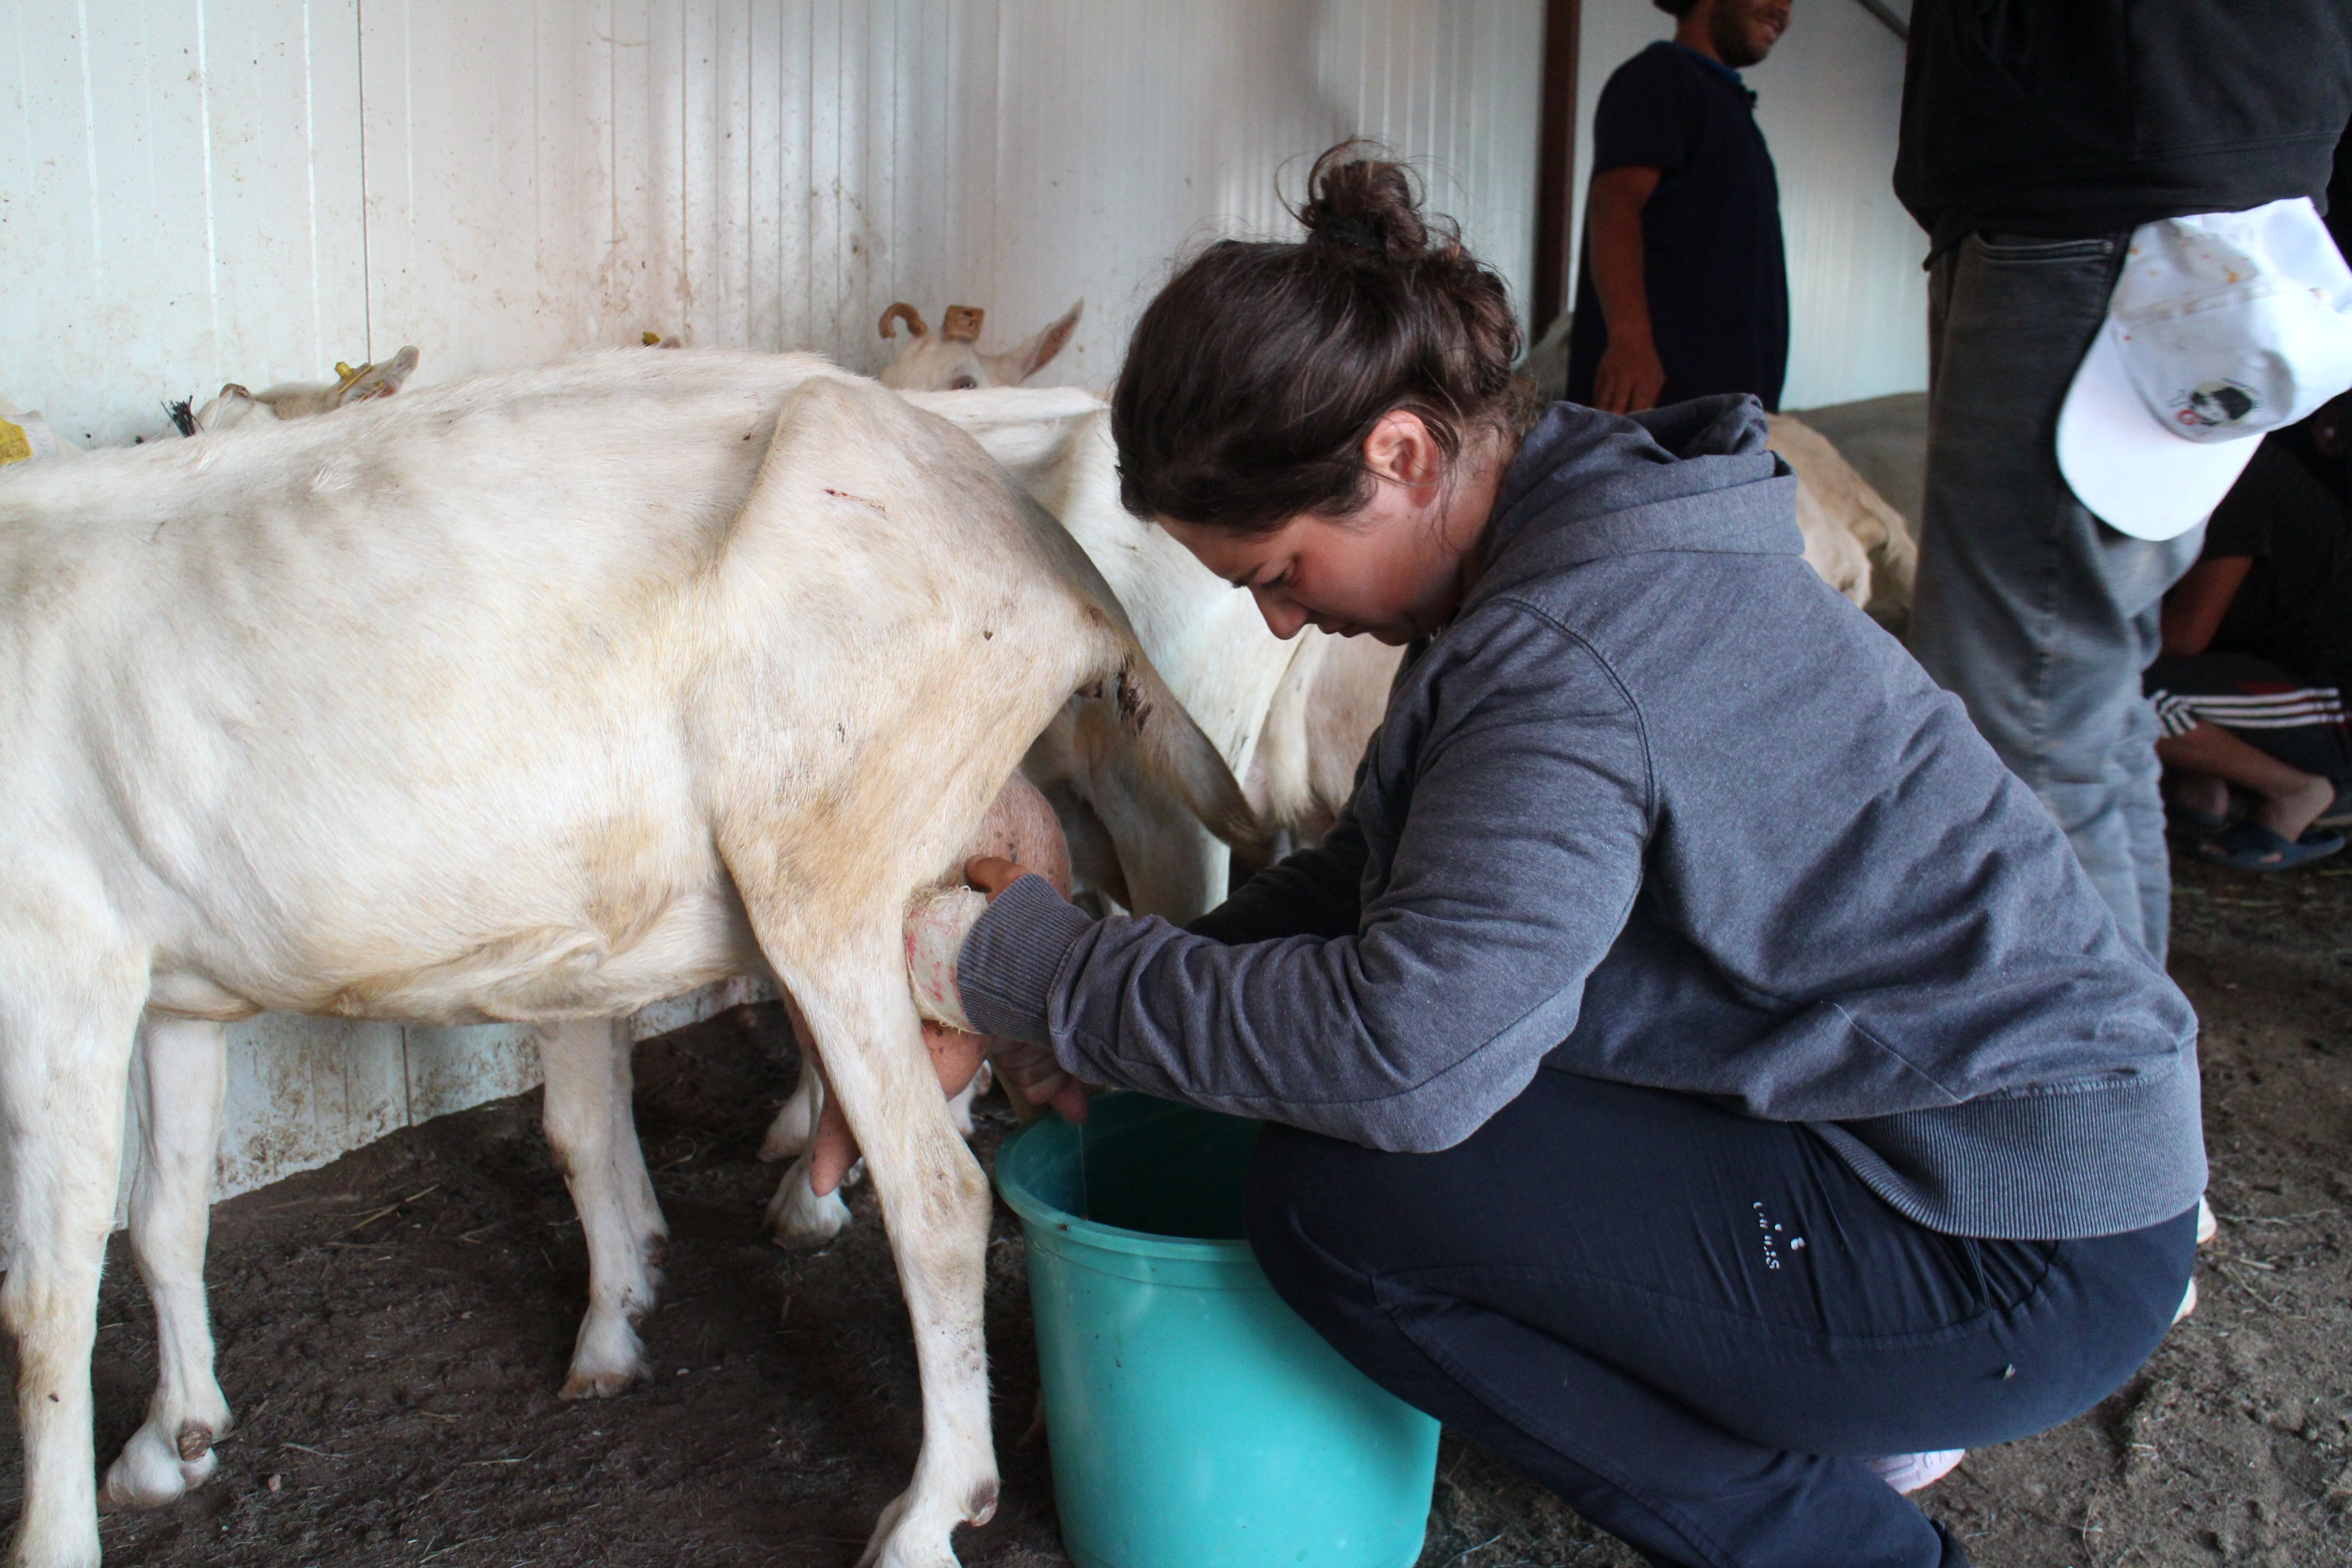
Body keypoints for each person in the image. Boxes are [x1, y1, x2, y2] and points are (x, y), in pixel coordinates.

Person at [858, 149, 2203, 1568]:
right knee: (1366, 1085)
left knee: (1350, 1201)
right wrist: (1124, 1008)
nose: (1276, 627)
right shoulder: (1574, 529)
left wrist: (1029, 968)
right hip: (1940, 1132)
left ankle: (1851, 1537)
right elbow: (1377, 883)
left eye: (1279, 575)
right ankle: (1808, 1381)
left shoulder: (1564, 650)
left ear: (1400, 455)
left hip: (2006, 1233)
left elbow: (1405, 1053)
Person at [1894, 1, 2352, 959]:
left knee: (2017, 723)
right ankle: (2139, 1068)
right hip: (2192, 167)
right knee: (2092, 718)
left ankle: (2086, 1094)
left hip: (2092, 172)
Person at [1564, 0, 1792, 415]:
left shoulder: (1732, 106)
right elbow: (1615, 206)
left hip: (1718, 422)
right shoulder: (1663, 76)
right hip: (1658, 416)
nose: (1783, 8)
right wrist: (1629, 340)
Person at [2146, 430, 2352, 869]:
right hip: (2276, 678)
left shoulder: (2237, 472)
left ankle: (2295, 792)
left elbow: (2187, 634)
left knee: (2122, 694)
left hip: (2333, 701)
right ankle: (2202, 787)